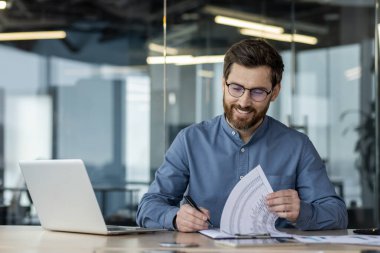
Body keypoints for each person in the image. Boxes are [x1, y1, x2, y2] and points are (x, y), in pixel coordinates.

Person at [136, 39, 348, 232]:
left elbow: (337, 214)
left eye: (257, 92)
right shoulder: (190, 140)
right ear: (223, 84)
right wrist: (174, 218)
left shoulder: (297, 146)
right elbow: (148, 206)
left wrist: (303, 211)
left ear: (274, 92)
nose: (244, 102)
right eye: (236, 88)